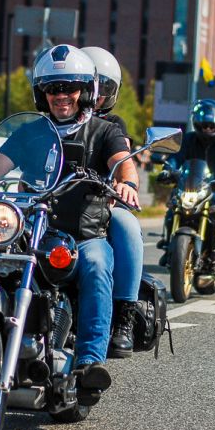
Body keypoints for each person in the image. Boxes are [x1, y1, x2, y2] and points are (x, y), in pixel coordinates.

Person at [0, 44, 139, 405]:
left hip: (84, 233)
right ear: (42, 93)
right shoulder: (31, 132)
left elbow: (122, 161)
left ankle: (88, 363)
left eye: (69, 87)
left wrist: (125, 182)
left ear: (84, 91)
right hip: (32, 226)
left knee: (99, 264)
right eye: (53, 89)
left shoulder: (103, 131)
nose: (61, 96)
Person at [82, 46, 143, 359]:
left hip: (99, 204)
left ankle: (123, 317)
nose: (95, 95)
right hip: (49, 203)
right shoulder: (51, 120)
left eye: (102, 88)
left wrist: (124, 182)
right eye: (89, 85)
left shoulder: (112, 125)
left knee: (127, 225)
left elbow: (123, 157)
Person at [158, 98, 215, 279]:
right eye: (204, 125)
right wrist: (168, 170)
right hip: (190, 187)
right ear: (197, 123)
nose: (208, 129)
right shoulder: (188, 139)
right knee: (173, 209)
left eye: (212, 125)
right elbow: (175, 158)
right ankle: (169, 244)